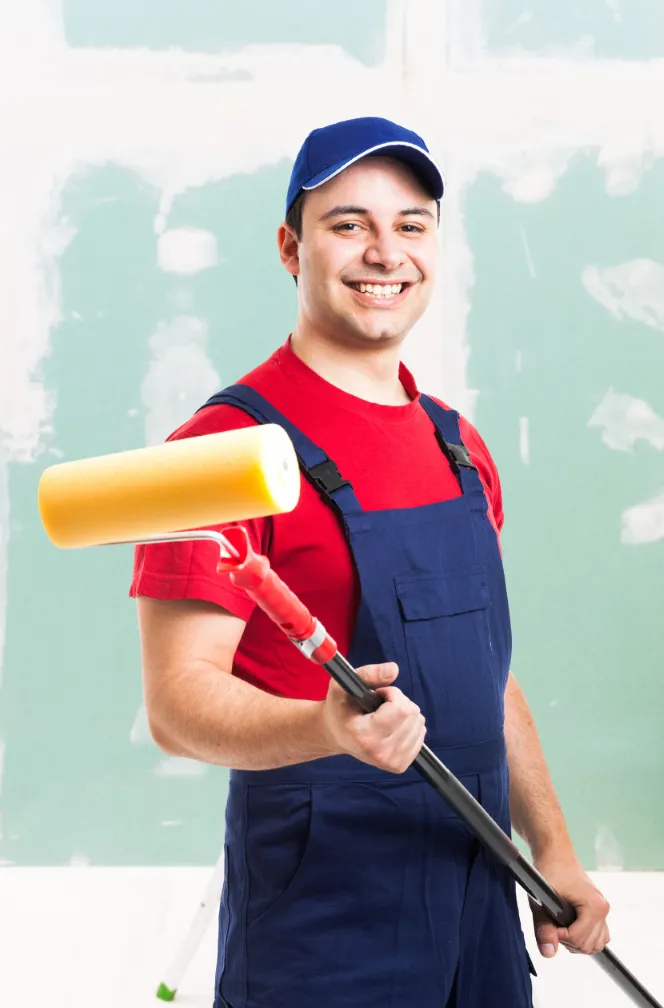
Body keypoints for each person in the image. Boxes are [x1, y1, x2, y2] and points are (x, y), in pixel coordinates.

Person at [131, 116, 610, 1007]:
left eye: (411, 225)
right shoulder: (219, 452)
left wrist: (556, 850)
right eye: (348, 223)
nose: (384, 252)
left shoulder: (458, 446)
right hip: (323, 914)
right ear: (291, 247)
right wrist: (324, 728)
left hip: (479, 883)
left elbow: (488, 678)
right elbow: (176, 705)